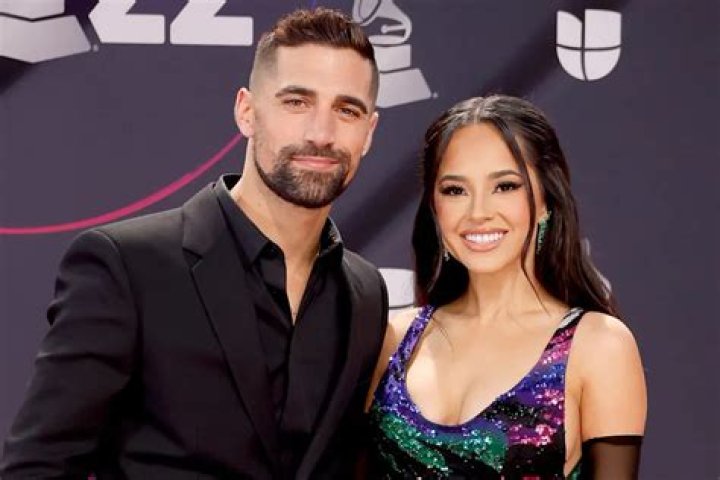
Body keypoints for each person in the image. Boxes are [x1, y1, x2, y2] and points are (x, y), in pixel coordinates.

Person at [1, 8, 387, 479]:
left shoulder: (366, 293)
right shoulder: (129, 266)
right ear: (247, 111)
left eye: (347, 110)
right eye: (296, 102)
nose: (321, 134)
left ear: (369, 132)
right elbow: (37, 468)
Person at [365, 95, 646, 479]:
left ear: (546, 200)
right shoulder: (394, 339)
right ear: (434, 207)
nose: (478, 212)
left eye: (505, 186)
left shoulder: (598, 346)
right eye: (455, 190)